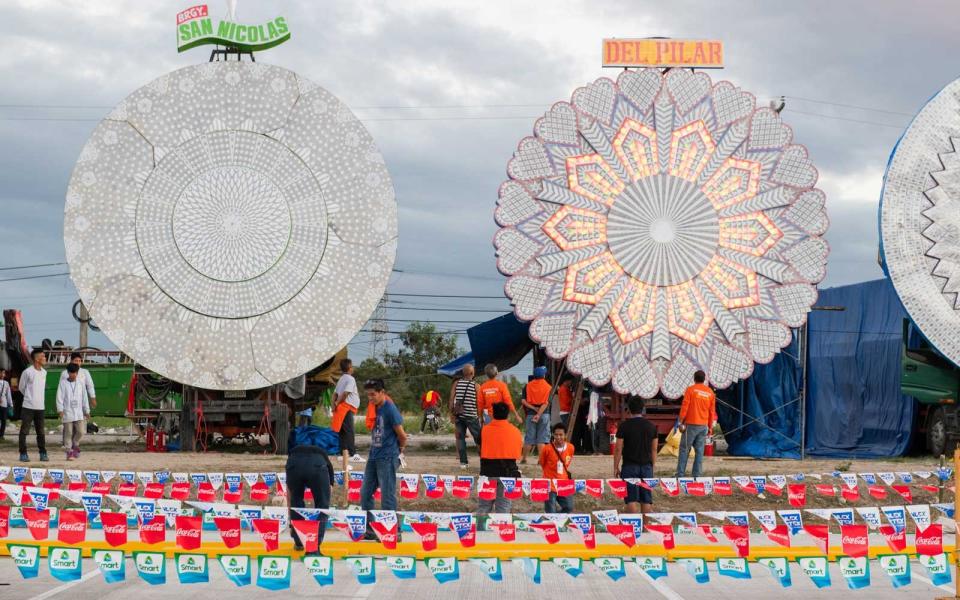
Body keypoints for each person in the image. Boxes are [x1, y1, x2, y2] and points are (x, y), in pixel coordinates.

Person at [361, 379, 407, 540]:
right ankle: (371, 529)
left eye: (373, 394)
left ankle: (394, 531)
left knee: (387, 496)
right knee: (365, 494)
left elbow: (402, 435)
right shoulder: (373, 408)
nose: (370, 398)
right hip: (373, 455)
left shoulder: (390, 409)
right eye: (368, 395)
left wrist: (399, 451)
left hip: (387, 456)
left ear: (382, 392)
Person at [285, 418, 336, 554]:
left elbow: (289, 495)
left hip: (294, 464)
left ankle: (298, 541)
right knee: (322, 506)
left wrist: (291, 521)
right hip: (317, 466)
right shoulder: (323, 457)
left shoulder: (293, 453)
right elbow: (328, 491)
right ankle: (313, 547)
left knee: (296, 502)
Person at [614, 396, 658, 514]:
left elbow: (618, 448)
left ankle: (634, 529)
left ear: (628, 409)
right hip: (646, 466)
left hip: (629, 466)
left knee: (630, 499)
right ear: (643, 409)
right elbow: (654, 449)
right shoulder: (651, 427)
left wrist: (615, 466)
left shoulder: (624, 426)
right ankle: (646, 529)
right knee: (646, 500)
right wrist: (652, 466)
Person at [477, 401, 523, 515]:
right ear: (507, 415)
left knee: (484, 507)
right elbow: (518, 452)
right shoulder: (516, 431)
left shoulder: (484, 430)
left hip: (488, 474)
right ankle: (502, 529)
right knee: (503, 508)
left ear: (493, 414)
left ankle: (481, 530)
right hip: (508, 475)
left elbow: (479, 446)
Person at [676, 370, 717, 478]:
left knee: (684, 449)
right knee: (699, 452)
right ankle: (697, 476)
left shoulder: (690, 390)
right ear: (704, 380)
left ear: (694, 378)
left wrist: (680, 421)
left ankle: (680, 475)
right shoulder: (710, 393)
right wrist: (710, 428)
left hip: (691, 425)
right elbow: (711, 412)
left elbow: (685, 407)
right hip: (703, 426)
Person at [331, 358, 363, 475]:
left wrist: (333, 405)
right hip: (346, 407)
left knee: (343, 431)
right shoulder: (350, 379)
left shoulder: (341, 379)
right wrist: (337, 403)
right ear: (349, 368)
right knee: (349, 431)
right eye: (352, 366)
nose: (353, 368)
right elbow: (345, 393)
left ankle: (343, 453)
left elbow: (335, 394)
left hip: (342, 407)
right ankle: (352, 454)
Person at [449, 364, 482, 469]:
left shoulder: (456, 383)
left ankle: (463, 463)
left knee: (460, 439)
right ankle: (483, 460)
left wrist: (451, 414)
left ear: (463, 373)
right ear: (472, 373)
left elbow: (451, 400)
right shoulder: (476, 385)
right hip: (472, 416)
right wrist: (480, 415)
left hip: (459, 416)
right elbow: (479, 402)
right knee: (479, 439)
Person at [19, 349, 48, 462]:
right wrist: (29, 398)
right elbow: (22, 388)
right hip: (28, 406)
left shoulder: (44, 372)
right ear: (37, 359)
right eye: (43, 356)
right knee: (24, 431)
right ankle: (23, 453)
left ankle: (43, 453)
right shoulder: (27, 372)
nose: (45, 358)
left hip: (40, 407)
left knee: (41, 432)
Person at [56, 363, 90, 461]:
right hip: (67, 411)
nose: (73, 375)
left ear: (77, 373)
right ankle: (69, 452)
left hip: (79, 412)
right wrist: (60, 410)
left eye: (75, 373)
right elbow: (59, 397)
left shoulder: (81, 383)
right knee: (68, 432)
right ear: (68, 373)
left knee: (81, 431)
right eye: (71, 373)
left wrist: (86, 410)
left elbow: (84, 398)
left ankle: (75, 443)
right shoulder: (63, 383)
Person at [540, 422, 574, 513]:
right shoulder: (547, 448)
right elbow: (542, 463)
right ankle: (552, 521)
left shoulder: (571, 448)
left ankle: (556, 520)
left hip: (563, 482)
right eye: (556, 434)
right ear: (553, 435)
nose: (558, 437)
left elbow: (567, 463)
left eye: (561, 435)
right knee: (551, 511)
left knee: (569, 507)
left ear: (565, 435)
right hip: (549, 483)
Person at [520, 366, 551, 463]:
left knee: (529, 438)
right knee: (541, 439)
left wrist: (534, 409)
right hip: (544, 414)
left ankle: (524, 459)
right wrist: (539, 413)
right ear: (544, 375)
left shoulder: (527, 386)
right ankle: (540, 460)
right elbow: (546, 403)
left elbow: (523, 401)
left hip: (530, 414)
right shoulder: (548, 387)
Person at [0, 368, 11, 440]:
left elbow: (8, 394)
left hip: (4, 404)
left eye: (4, 373)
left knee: (3, 420)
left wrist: (11, 404)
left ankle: (1, 435)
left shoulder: (6, 383)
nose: (3, 374)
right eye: (2, 373)